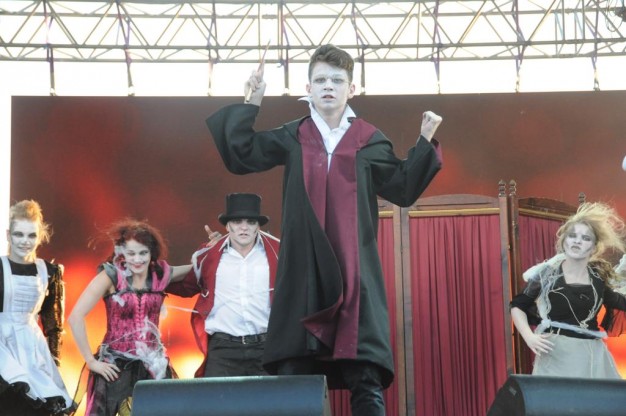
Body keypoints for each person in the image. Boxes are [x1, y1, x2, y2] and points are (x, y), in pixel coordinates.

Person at [206, 44, 443, 415]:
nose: (328, 86)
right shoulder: (294, 136)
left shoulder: (369, 140)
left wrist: (425, 139)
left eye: (337, 80)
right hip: (303, 273)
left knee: (364, 375)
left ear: (352, 88)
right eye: (320, 80)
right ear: (308, 88)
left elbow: (402, 187)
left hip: (354, 274)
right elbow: (243, 153)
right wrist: (253, 100)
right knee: (296, 380)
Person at [68, 219, 193, 416]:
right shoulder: (110, 276)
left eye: (143, 253)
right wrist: (91, 362)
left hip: (153, 366)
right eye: (131, 253)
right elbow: (75, 317)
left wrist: (215, 248)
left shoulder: (160, 275)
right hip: (115, 367)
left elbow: (197, 268)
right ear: (121, 253)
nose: (137, 259)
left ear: (151, 253)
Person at [166, 193, 280, 377]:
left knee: (273, 397)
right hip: (223, 349)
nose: (244, 227)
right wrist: (145, 277)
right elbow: (187, 285)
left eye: (251, 222)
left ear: (258, 226)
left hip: (267, 347)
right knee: (214, 396)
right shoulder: (209, 255)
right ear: (227, 226)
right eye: (237, 221)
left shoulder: (278, 252)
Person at [510, 201, 626, 378]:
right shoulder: (547, 274)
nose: (577, 241)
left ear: (594, 247)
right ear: (564, 241)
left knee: (597, 396)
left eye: (586, 238)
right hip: (555, 356)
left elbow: (620, 301)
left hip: (591, 358)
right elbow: (518, 305)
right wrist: (529, 337)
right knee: (556, 397)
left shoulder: (598, 280)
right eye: (572, 236)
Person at [0, 199, 76, 415]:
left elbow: (53, 324)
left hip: (33, 350)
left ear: (40, 236)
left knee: (38, 405)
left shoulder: (49, 271)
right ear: (8, 235)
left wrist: (54, 360)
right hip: (3, 350)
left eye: (31, 235)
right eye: (19, 234)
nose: (25, 241)